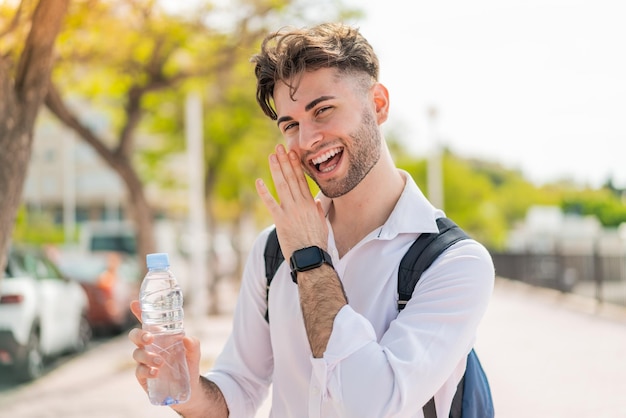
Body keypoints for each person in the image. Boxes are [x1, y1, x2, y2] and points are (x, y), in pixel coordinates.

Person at [129, 22, 494, 418]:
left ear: (378, 104)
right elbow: (240, 387)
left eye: (323, 110)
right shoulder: (272, 249)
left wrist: (309, 258)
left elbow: (372, 405)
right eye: (291, 125)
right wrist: (187, 387)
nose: (306, 140)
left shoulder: (454, 263)